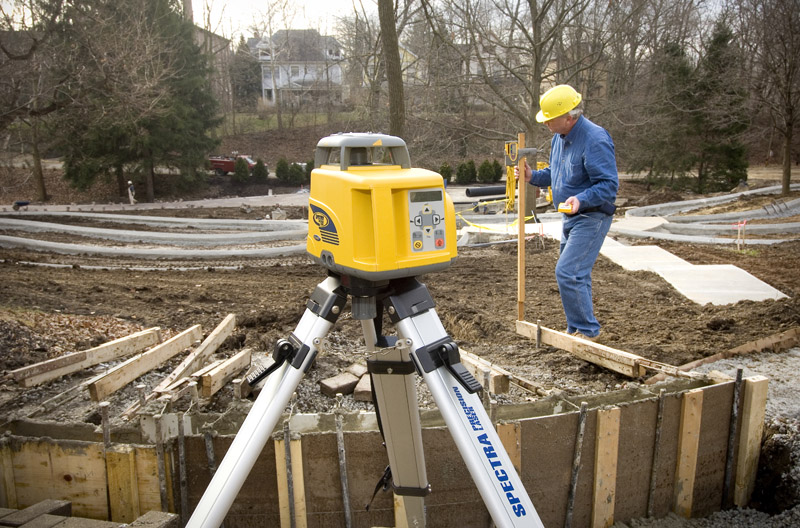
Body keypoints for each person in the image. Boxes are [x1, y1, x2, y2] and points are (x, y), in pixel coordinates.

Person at [516, 84, 618, 341]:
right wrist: (533, 177)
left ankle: (587, 332)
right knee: (575, 274)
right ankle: (576, 329)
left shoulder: (595, 139)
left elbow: (608, 185)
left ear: (569, 117)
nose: (546, 124)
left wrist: (581, 199)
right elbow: (556, 173)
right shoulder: (558, 138)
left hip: (592, 216)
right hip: (570, 216)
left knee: (568, 272)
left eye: (550, 120)